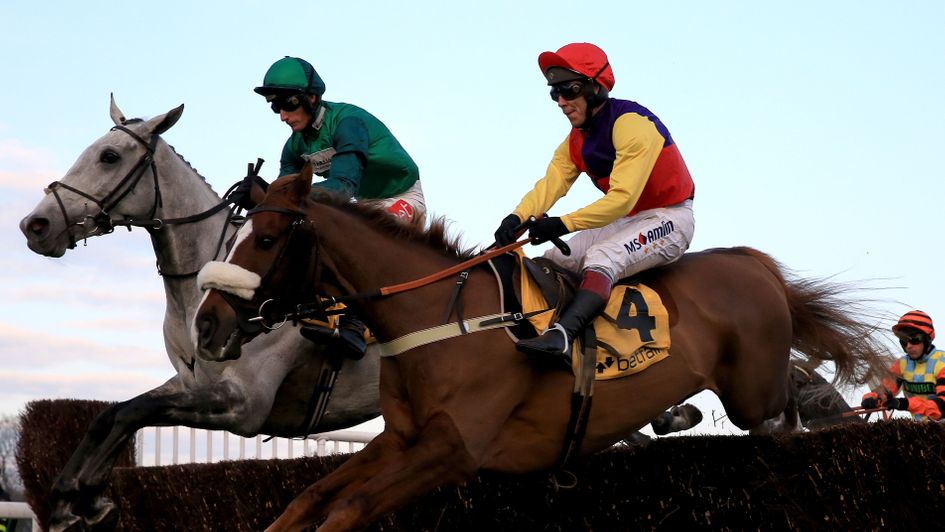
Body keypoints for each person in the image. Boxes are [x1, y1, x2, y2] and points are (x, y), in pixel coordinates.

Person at [493, 42, 695, 371]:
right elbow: (550, 184)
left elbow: (621, 199)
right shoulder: (575, 140)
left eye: (569, 90)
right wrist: (517, 217)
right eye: (554, 93)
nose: (561, 102)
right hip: (628, 220)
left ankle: (562, 336)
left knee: (602, 256)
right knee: (555, 258)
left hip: (670, 217)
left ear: (596, 88)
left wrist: (562, 224)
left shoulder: (633, 125)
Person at [250, 56, 427, 359]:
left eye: (287, 105)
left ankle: (354, 325)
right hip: (362, 205)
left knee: (361, 239)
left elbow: (343, 187)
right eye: (275, 107)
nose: (282, 116)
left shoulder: (348, 122)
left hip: (401, 196)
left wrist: (278, 199)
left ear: (311, 98)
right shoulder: (294, 146)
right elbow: (283, 202)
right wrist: (258, 197)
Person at [861, 310, 945, 421]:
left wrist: (904, 404)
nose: (908, 346)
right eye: (904, 341)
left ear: (927, 339)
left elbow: (942, 407)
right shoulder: (902, 364)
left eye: (914, 340)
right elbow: (885, 391)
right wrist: (871, 398)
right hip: (923, 430)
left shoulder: (942, 363)